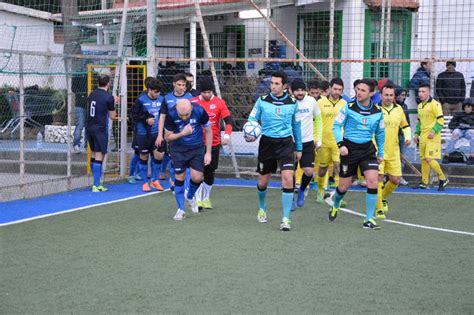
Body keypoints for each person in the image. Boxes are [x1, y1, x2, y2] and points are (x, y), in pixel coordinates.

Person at [246, 71, 302, 232]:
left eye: (277, 83)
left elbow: (296, 126)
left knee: (287, 178)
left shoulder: (292, 102)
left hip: (285, 144)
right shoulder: (262, 101)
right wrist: (250, 134)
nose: (273, 86)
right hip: (267, 144)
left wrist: (299, 147)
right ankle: (262, 207)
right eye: (272, 83)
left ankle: (285, 219)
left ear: (284, 86)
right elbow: (252, 120)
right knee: (263, 181)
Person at [330, 79, 385, 230]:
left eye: (363, 90)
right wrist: (341, 144)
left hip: (367, 149)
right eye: (357, 89)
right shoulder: (348, 108)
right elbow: (336, 126)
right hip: (349, 149)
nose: (358, 93)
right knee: (343, 186)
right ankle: (335, 204)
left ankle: (368, 220)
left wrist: (381, 152)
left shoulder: (378, 112)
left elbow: (380, 133)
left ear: (372, 93)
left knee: (373, 181)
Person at [164, 99, 212, 220]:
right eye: (181, 115)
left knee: (197, 177)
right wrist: (182, 133)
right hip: (178, 150)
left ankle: (190, 196)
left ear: (191, 108)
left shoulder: (200, 111)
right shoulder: (171, 114)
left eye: (187, 115)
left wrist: (209, 153)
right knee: (179, 177)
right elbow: (168, 137)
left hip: (197, 149)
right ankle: (181, 210)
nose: (184, 118)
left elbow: (208, 131)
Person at [191, 78, 234, 209]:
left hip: (214, 143)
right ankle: (197, 199)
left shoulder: (219, 103)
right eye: (204, 92)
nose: (207, 95)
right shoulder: (192, 103)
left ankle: (206, 197)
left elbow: (229, 121)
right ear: (200, 91)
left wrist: (226, 135)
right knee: (198, 172)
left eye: (209, 92)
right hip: (197, 144)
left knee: (210, 172)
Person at [375, 84, 411, 219]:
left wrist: (407, 137)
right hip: (378, 152)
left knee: (395, 180)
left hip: (394, 151)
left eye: (391, 95)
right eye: (386, 95)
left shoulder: (399, 109)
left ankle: (382, 197)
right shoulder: (375, 109)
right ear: (381, 95)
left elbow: (405, 125)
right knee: (378, 178)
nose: (389, 98)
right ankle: (378, 209)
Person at [157, 73, 194, 189]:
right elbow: (162, 116)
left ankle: (185, 183)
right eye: (179, 84)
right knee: (174, 159)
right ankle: (174, 181)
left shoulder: (190, 98)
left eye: (183, 85)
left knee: (188, 161)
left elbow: (195, 116)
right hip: (172, 134)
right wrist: (160, 135)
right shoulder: (167, 98)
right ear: (174, 84)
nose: (181, 87)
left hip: (188, 135)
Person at [290, 78, 323, 207]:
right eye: (297, 90)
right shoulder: (288, 102)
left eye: (302, 90)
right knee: (290, 172)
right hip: (291, 142)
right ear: (291, 91)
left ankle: (302, 190)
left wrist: (318, 138)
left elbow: (318, 120)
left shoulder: (312, 101)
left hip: (308, 142)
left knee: (309, 171)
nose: (300, 92)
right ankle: (291, 198)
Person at [131, 78, 165, 192]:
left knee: (159, 156)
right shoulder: (140, 100)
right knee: (144, 157)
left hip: (157, 134)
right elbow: (133, 116)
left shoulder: (162, 99)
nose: (157, 94)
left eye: (159, 92)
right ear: (149, 89)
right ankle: (145, 182)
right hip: (143, 134)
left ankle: (155, 180)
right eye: (155, 91)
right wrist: (146, 119)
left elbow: (164, 115)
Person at [316, 78, 347, 203]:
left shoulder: (345, 104)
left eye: (340, 90)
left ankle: (339, 197)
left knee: (338, 167)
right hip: (323, 141)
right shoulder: (320, 103)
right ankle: (320, 190)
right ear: (329, 88)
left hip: (338, 142)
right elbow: (316, 122)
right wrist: (316, 139)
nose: (337, 92)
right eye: (335, 89)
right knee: (322, 169)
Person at [413, 83, 449, 190]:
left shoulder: (435, 104)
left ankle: (443, 178)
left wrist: (434, 131)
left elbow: (440, 120)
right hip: (423, 137)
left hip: (433, 137)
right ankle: (424, 182)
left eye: (423, 91)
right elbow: (419, 122)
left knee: (429, 158)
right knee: (424, 160)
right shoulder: (419, 106)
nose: (421, 94)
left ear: (429, 92)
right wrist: (416, 133)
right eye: (419, 92)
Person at [85, 74, 117, 192]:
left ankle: (96, 180)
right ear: (108, 84)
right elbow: (112, 116)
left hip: (90, 127)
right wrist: (114, 103)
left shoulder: (92, 94)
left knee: (93, 154)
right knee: (99, 155)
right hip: (100, 129)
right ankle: (96, 184)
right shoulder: (108, 97)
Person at [442, 98, 474, 165]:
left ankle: (472, 157)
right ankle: (446, 156)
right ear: (463, 107)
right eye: (466, 107)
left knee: (473, 136)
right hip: (459, 130)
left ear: (472, 107)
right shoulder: (459, 114)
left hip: (469, 131)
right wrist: (456, 128)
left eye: (469, 107)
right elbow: (451, 124)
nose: (467, 109)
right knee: (455, 133)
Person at [395, 87, 411, 185]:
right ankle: (385, 176)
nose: (404, 97)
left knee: (402, 157)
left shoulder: (405, 107)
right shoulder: (393, 106)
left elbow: (407, 123)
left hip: (402, 136)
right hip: (393, 136)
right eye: (402, 95)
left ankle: (400, 176)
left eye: (405, 95)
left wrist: (407, 135)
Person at [72, 73, 88, 153]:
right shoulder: (77, 74)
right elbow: (73, 87)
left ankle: (88, 145)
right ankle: (76, 144)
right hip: (80, 104)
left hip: (90, 104)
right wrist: (81, 94)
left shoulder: (94, 75)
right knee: (80, 124)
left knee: (89, 125)